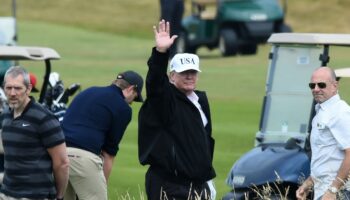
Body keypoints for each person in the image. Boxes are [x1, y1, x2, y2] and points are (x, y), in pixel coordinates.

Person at [138, 20, 216, 200]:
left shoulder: (200, 101)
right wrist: (160, 53)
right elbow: (155, 84)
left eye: (193, 72)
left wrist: (207, 179)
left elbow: (203, 142)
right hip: (170, 185)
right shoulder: (165, 101)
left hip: (197, 185)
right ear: (171, 76)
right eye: (183, 72)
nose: (189, 76)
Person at [62, 70, 144, 200]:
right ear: (131, 89)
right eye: (135, 97)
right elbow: (108, 154)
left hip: (58, 155)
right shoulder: (123, 108)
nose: (131, 102)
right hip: (85, 158)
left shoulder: (89, 91)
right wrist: (101, 184)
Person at [0, 66, 69, 200]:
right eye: (8, 88)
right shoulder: (6, 115)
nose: (12, 93)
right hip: (7, 194)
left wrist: (59, 196)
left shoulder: (44, 118)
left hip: (36, 195)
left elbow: (62, 163)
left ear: (29, 89)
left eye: (18, 88)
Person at [296, 67, 350, 200]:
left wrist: (333, 189)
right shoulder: (320, 112)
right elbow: (325, 157)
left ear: (334, 86)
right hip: (323, 191)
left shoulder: (340, 113)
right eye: (312, 85)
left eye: (321, 85)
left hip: (338, 193)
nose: (316, 89)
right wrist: (309, 182)